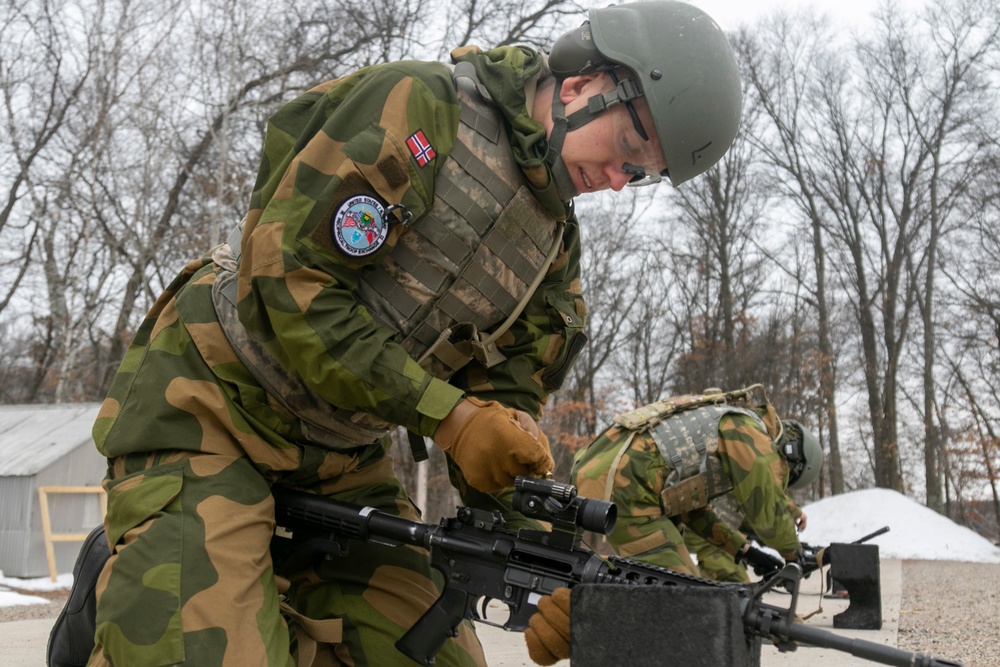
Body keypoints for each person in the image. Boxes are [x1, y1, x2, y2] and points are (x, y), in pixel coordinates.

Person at [86, 1, 743, 665]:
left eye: (639, 174)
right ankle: (140, 591)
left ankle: (233, 595)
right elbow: (291, 288)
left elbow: (501, 438)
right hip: (213, 403)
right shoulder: (420, 109)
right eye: (627, 149)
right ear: (582, 86)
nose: (616, 181)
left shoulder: (553, 258)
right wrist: (449, 416)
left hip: (339, 459)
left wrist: (549, 573)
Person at [525, 386, 821, 665]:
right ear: (792, 454)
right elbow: (766, 508)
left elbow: (693, 511)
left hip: (612, 477)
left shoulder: (728, 420)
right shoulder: (748, 430)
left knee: (666, 590)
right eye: (787, 477)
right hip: (629, 488)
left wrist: (743, 550)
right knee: (685, 601)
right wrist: (794, 555)